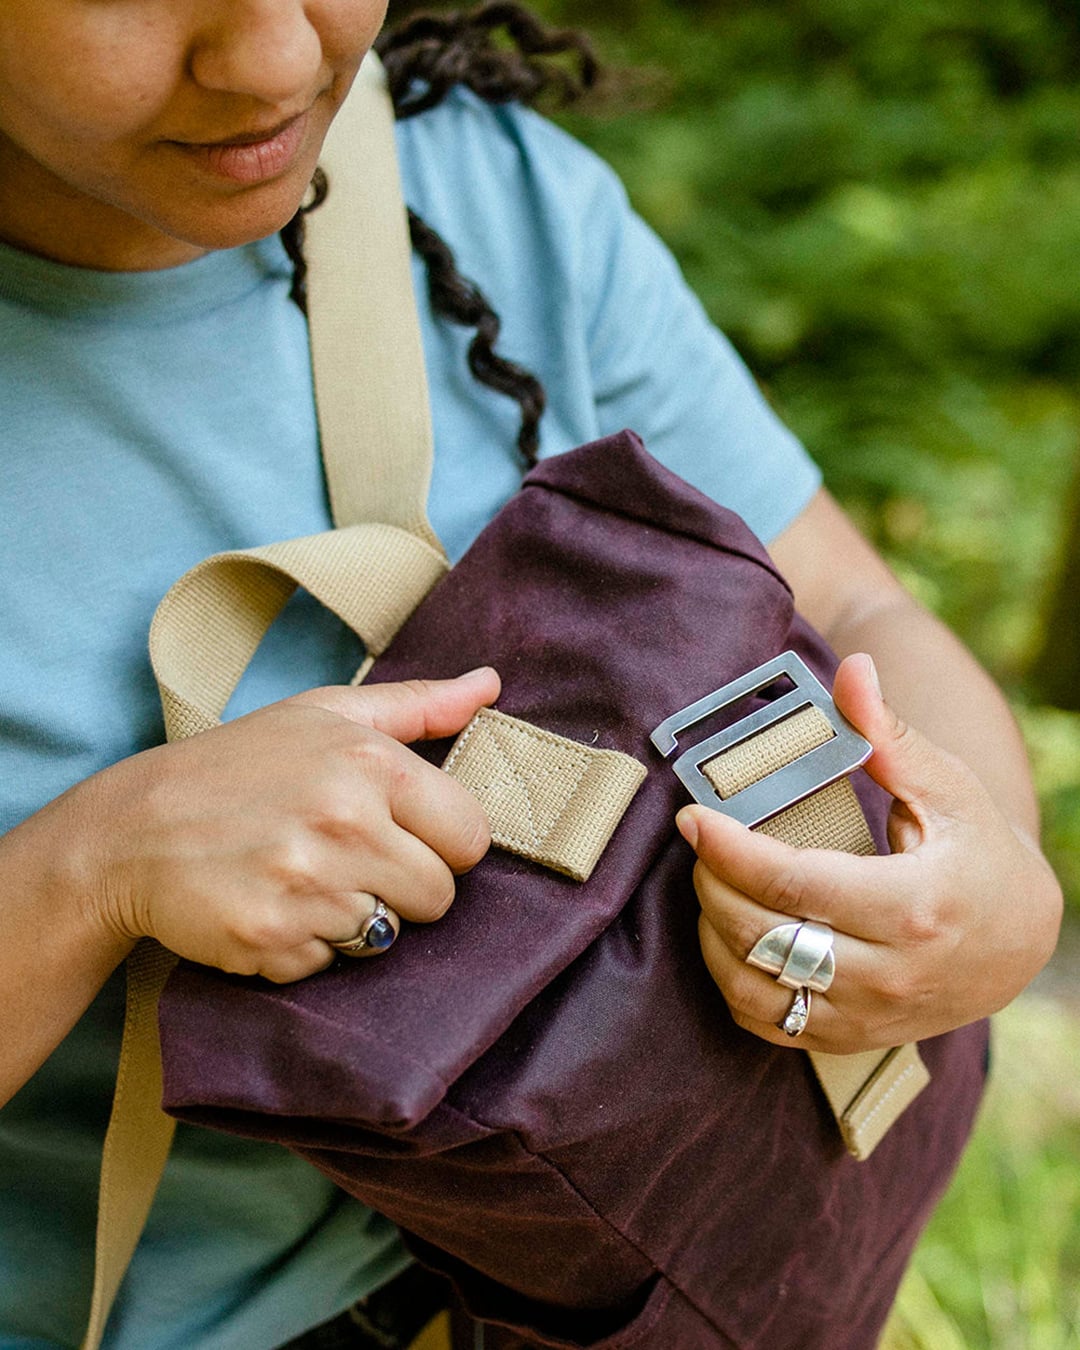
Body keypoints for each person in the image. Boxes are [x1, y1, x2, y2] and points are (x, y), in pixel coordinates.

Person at [0, 2, 1062, 1348]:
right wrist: (92, 871)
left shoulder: (486, 187)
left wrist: (997, 879)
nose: (271, 59)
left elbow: (850, 601)